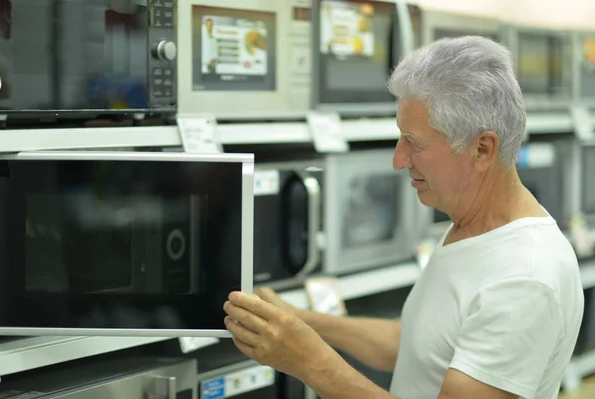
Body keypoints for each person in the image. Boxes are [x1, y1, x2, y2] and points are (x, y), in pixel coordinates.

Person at [223, 36, 585, 399]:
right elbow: (416, 344)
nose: (399, 160)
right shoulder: (470, 228)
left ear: (482, 149)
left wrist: (310, 362)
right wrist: (298, 319)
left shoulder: (525, 277)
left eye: (414, 142)